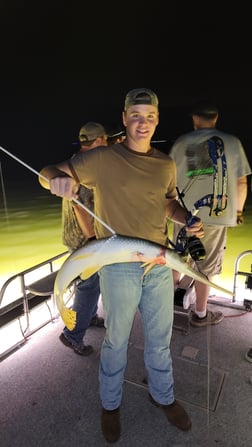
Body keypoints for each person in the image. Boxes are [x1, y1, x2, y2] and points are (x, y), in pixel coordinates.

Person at [38, 88, 204, 443]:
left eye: (149, 116)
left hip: (158, 261)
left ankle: (163, 396)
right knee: (116, 340)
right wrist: (56, 180)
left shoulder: (165, 164)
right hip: (117, 265)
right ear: (125, 118)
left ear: (156, 120)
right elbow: (47, 171)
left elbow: (167, 204)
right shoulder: (101, 159)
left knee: (160, 338)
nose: (142, 123)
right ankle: (110, 405)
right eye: (136, 115)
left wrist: (185, 218)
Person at [169, 101, 251, 327]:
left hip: (182, 215)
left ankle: (163, 309)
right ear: (215, 117)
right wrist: (238, 212)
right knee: (205, 267)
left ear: (194, 118)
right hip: (214, 220)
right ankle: (201, 315)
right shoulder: (232, 142)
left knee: (176, 260)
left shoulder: (181, 143)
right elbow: (241, 182)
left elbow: (168, 180)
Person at [59, 122, 108, 356]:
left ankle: (89, 317)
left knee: (92, 283)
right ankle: (72, 334)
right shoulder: (87, 168)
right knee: (89, 285)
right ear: (98, 141)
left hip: (73, 235)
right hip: (83, 239)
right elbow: (80, 207)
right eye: (105, 141)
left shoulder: (74, 161)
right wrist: (91, 239)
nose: (107, 144)